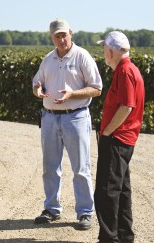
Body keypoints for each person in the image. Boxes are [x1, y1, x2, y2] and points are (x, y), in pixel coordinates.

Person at [32, 19, 103, 230]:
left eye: (64, 35)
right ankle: (52, 209)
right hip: (50, 117)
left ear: (70, 33)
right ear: (51, 37)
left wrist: (73, 94)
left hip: (76, 117)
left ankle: (85, 213)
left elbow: (96, 88)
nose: (61, 39)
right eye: (57, 36)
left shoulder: (82, 56)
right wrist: (37, 89)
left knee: (81, 167)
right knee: (50, 167)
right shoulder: (48, 59)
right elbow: (38, 82)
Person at [84, 31, 145, 243]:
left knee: (106, 190)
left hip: (118, 138)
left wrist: (108, 132)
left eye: (104, 49)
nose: (103, 53)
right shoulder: (129, 69)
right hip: (124, 138)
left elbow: (126, 107)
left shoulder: (125, 71)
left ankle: (109, 239)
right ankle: (124, 234)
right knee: (121, 188)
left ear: (111, 50)